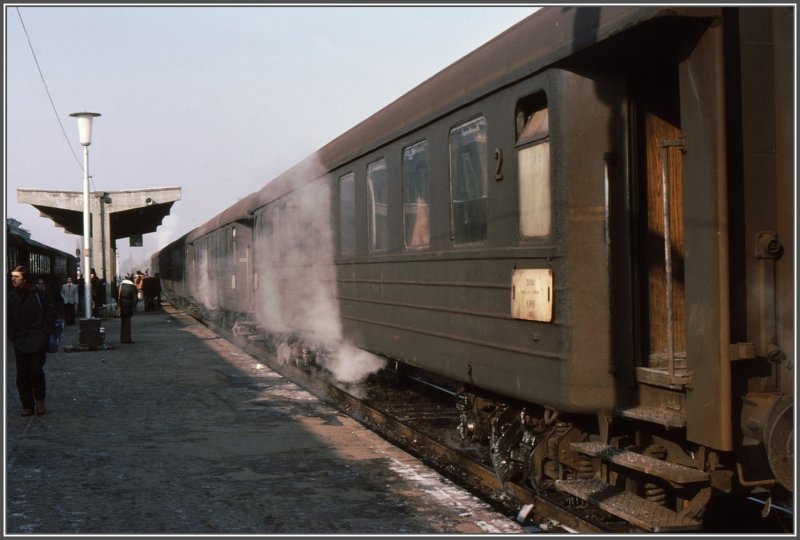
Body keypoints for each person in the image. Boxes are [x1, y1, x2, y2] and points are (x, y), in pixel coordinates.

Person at [7, 266, 56, 416]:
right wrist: (12, 335)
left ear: (25, 278)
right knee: (21, 375)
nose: (13, 279)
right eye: (12, 276)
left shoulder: (38, 293)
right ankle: (27, 404)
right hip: (20, 339)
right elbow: (8, 317)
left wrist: (45, 332)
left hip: (37, 338)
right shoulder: (10, 296)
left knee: (35, 370)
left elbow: (50, 312)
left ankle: (40, 400)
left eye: (17, 277)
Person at [118, 273, 137, 344]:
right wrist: (134, 307)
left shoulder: (120, 285)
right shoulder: (133, 287)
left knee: (123, 322)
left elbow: (115, 294)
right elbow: (135, 299)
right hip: (129, 306)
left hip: (121, 305)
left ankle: (122, 338)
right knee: (127, 323)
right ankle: (127, 339)